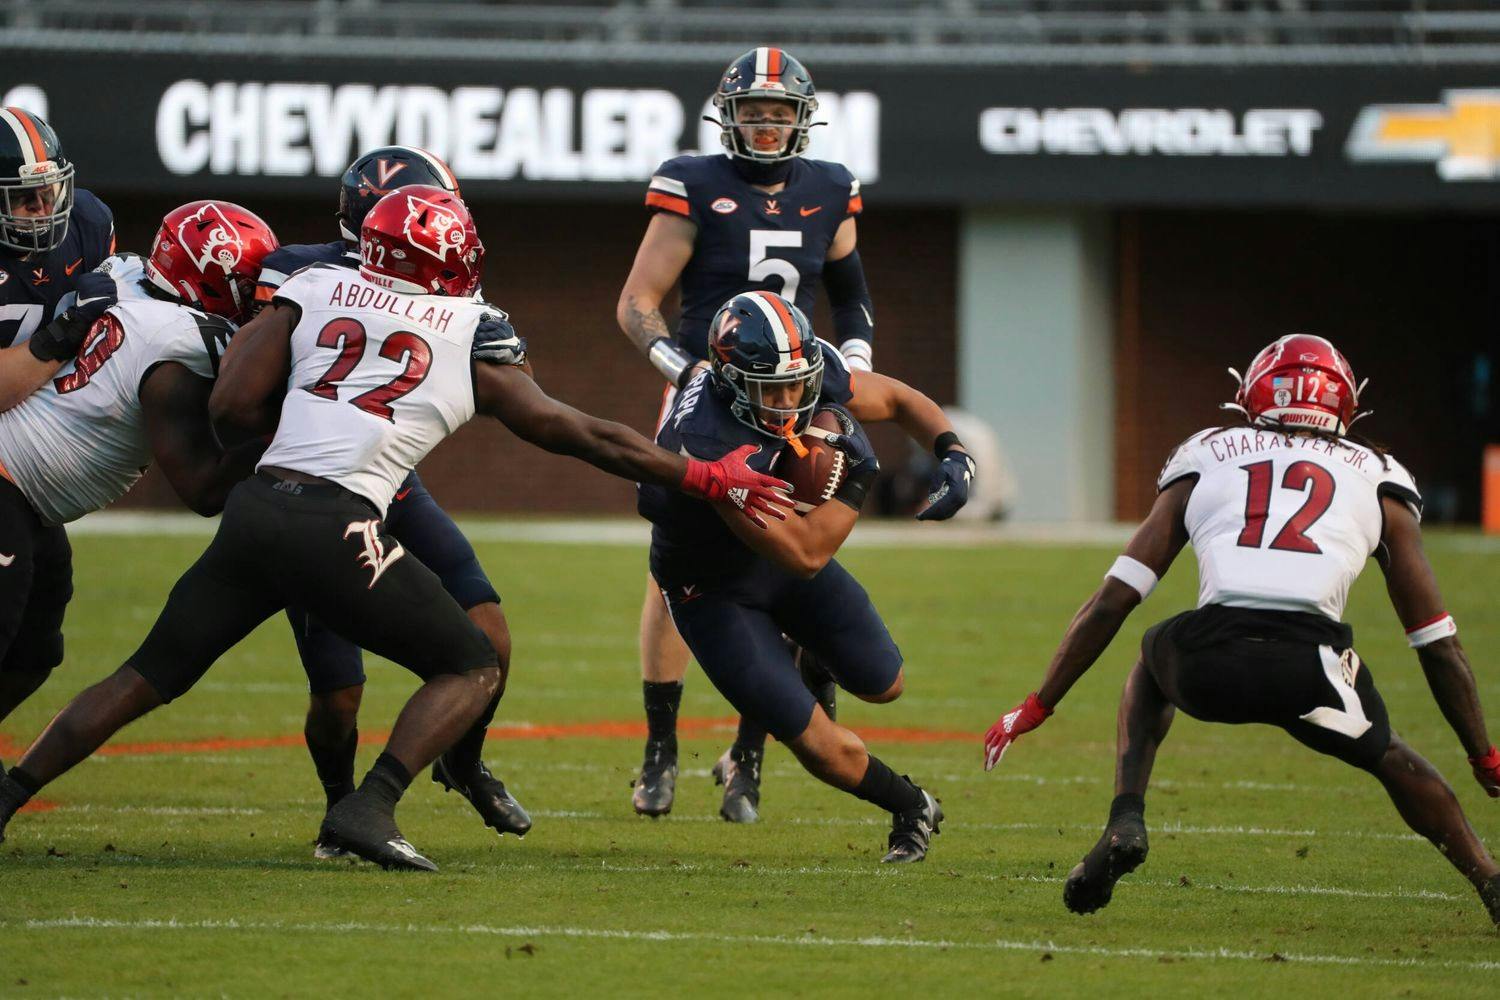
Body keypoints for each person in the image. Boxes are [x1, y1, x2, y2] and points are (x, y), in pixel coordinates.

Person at [0, 187, 791, 872]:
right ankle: (369, 807)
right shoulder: (466, 327)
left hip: (257, 510)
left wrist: (302, 425)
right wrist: (704, 474)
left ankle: (9, 796)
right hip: (338, 523)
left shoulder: (311, 288)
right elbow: (578, 433)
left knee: (144, 676)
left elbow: (230, 407)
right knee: (473, 665)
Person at [982, 334, 1500, 925]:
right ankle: (1489, 878)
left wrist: (1038, 704)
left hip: (1208, 663)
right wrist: (1483, 755)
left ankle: (1126, 818)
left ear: (1253, 394)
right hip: (1312, 670)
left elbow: (1114, 599)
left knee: (1152, 656)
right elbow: (1436, 641)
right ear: (1345, 404)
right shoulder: (1379, 476)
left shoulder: (1209, 452)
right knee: (1392, 758)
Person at [621, 48, 942, 822]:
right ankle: (662, 748)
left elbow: (851, 294)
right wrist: (689, 372)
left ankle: (751, 751)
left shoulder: (829, 187)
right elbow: (638, 302)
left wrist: (849, 373)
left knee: (798, 540)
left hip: (801, 380)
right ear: (728, 115)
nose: (767, 126)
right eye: (754, 111)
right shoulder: (694, 182)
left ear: (803, 118)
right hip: (711, 384)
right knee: (680, 559)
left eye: (779, 113)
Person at [254, 145, 530, 857]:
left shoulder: (441, 280)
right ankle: (339, 811)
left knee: (490, 634)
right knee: (339, 691)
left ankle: (462, 764)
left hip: (394, 485)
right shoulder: (302, 275)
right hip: (317, 486)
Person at [638, 289, 974, 861]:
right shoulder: (706, 438)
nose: (791, 400)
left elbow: (892, 397)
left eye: (798, 384)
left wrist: (952, 451)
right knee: (824, 748)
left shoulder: (803, 365)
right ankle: (910, 806)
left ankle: (811, 655)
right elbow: (804, 554)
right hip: (712, 588)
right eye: (774, 389)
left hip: (775, 559)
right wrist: (857, 479)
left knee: (885, 682)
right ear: (730, 380)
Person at [0, 200, 276, 745]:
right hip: (9, 481)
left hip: (30, 497)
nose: (257, 298)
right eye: (246, 283)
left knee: (35, 652)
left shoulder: (125, 276)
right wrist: (280, 440)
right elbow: (201, 489)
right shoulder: (180, 341)